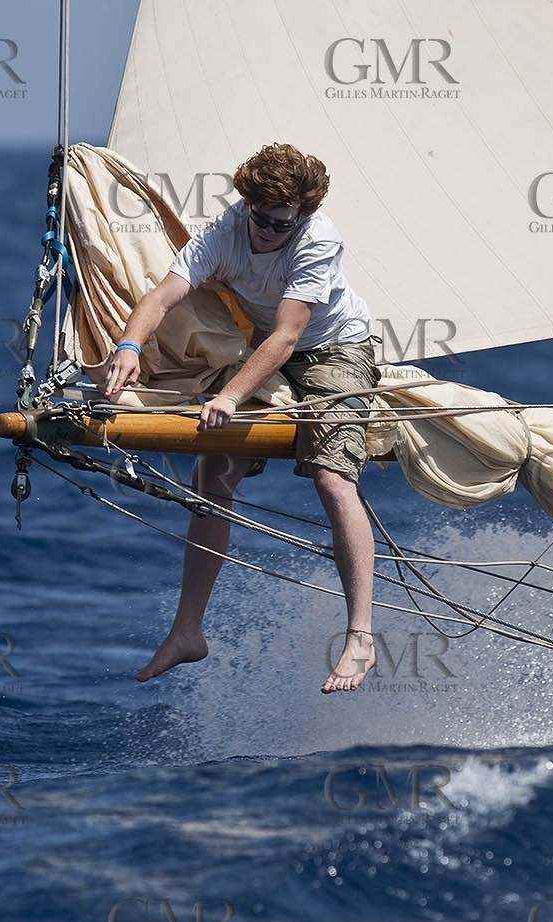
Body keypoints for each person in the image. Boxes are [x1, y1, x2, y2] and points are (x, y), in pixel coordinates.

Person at [103, 143, 381, 693]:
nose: (270, 233)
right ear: (247, 204)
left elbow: (288, 334)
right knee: (212, 474)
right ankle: (187, 631)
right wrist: (130, 346)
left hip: (336, 351)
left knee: (332, 477)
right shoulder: (225, 231)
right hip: (262, 352)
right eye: (263, 219)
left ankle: (360, 636)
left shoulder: (318, 238)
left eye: (284, 224)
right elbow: (162, 297)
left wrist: (229, 397)